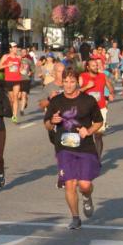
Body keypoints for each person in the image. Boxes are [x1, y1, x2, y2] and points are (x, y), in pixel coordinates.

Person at [44, 67, 104, 230]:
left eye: (72, 82)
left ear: (78, 82)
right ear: (62, 82)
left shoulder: (88, 100)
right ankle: (75, 218)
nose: (68, 85)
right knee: (70, 184)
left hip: (85, 148)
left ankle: (87, 196)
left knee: (84, 185)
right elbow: (47, 125)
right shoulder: (56, 101)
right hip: (64, 149)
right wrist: (53, 121)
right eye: (65, 82)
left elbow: (99, 122)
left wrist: (89, 131)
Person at [78, 56, 111, 155]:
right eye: (93, 66)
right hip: (86, 109)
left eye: (96, 65)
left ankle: (97, 159)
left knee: (98, 135)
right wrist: (87, 86)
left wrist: (110, 92)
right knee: (85, 134)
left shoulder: (102, 76)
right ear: (88, 67)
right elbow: (76, 92)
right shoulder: (82, 76)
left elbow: (110, 87)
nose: (96, 67)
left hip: (101, 108)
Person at [0, 42, 26, 122]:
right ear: (10, 48)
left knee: (16, 97)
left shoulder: (19, 57)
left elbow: (20, 68)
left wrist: (23, 69)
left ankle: (14, 116)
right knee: (12, 99)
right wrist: (7, 65)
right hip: (8, 80)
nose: (15, 48)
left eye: (16, 47)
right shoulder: (6, 57)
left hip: (17, 79)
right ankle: (11, 110)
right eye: (14, 47)